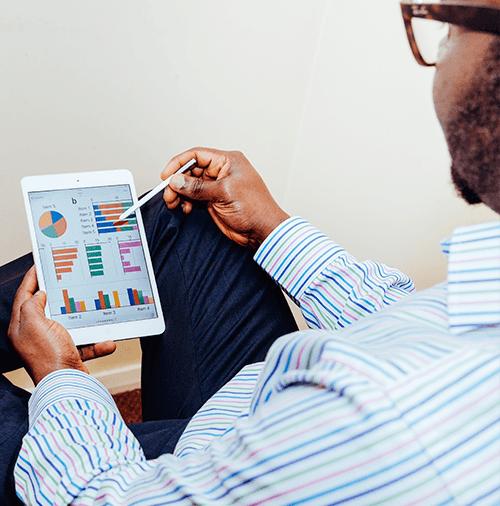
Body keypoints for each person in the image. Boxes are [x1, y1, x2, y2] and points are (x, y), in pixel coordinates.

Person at [1, 1, 499, 504]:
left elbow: (100, 498)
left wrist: (60, 374)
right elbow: (403, 328)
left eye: (451, 25)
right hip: (253, 410)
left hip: (175, 473)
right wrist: (272, 225)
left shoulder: (394, 423)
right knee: (193, 217)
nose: (440, 46)